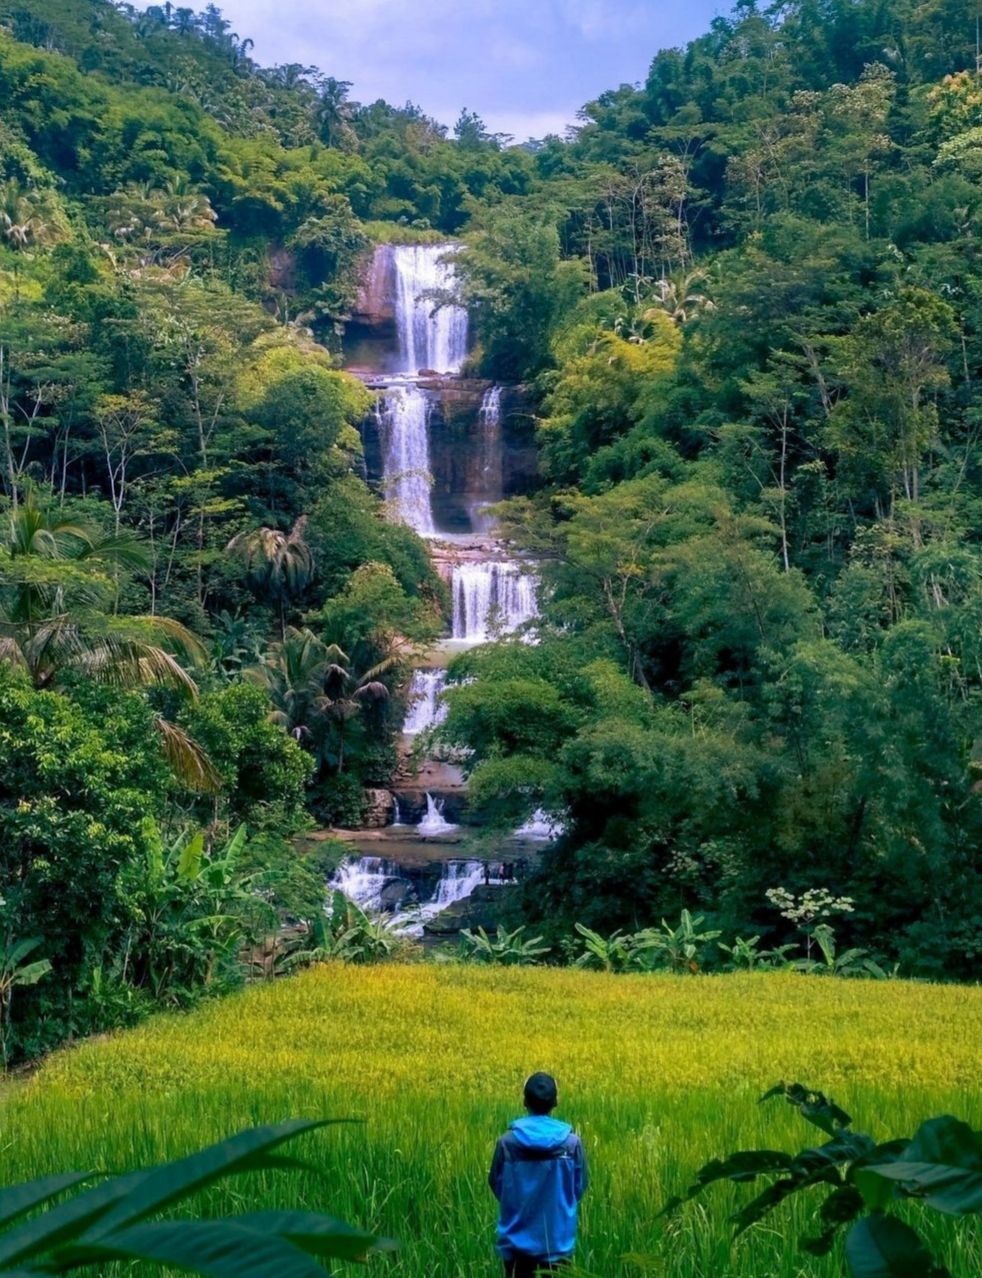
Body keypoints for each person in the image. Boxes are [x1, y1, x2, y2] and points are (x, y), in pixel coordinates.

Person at [488, 1072, 588, 1276]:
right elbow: (578, 1187)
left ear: (525, 1101)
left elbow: (496, 1184)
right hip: (558, 1246)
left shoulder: (507, 1142)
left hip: (515, 1248)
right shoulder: (571, 1144)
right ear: (555, 1102)